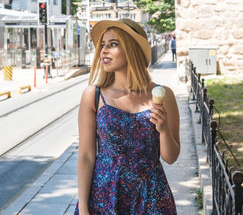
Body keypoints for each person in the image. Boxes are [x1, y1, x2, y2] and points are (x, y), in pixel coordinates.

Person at [75, 19, 180, 214]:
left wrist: (163, 129)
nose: (104, 51)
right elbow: (86, 156)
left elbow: (171, 157)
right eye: (103, 45)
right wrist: (83, 207)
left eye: (113, 44)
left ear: (132, 49)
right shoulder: (93, 95)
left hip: (152, 196)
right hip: (104, 196)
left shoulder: (164, 95)